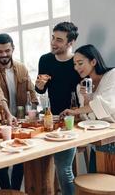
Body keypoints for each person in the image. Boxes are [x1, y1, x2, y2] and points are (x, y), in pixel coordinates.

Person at [0, 33, 38, 190]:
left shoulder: (21, 68)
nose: (4, 55)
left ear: (13, 49)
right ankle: (5, 190)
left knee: (19, 156)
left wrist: (35, 109)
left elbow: (31, 91)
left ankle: (14, 190)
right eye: (0, 51)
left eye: (7, 50)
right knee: (2, 159)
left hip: (20, 121)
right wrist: (8, 114)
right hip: (1, 121)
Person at [35, 22, 80, 195]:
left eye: (59, 40)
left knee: (63, 168)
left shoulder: (77, 62)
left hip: (73, 121)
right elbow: (41, 89)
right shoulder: (45, 60)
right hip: (51, 120)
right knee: (41, 163)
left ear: (70, 42)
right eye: (53, 37)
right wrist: (39, 85)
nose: (54, 42)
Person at [60, 44, 115, 122]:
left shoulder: (112, 75)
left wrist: (76, 111)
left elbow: (108, 105)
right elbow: (87, 117)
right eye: (75, 64)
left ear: (93, 62)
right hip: (95, 129)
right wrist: (87, 98)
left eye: (80, 63)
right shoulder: (81, 86)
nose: (76, 68)